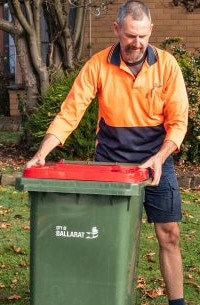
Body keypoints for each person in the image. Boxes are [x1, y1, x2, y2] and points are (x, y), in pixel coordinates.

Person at [26, 1, 189, 304]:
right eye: (130, 35)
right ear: (117, 30)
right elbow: (70, 112)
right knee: (105, 236)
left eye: (142, 35)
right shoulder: (98, 65)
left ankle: (177, 303)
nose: (136, 43)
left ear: (150, 31)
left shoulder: (167, 66)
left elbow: (179, 123)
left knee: (170, 234)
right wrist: (42, 152)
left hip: (156, 162)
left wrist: (160, 157)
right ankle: (101, 295)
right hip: (111, 164)